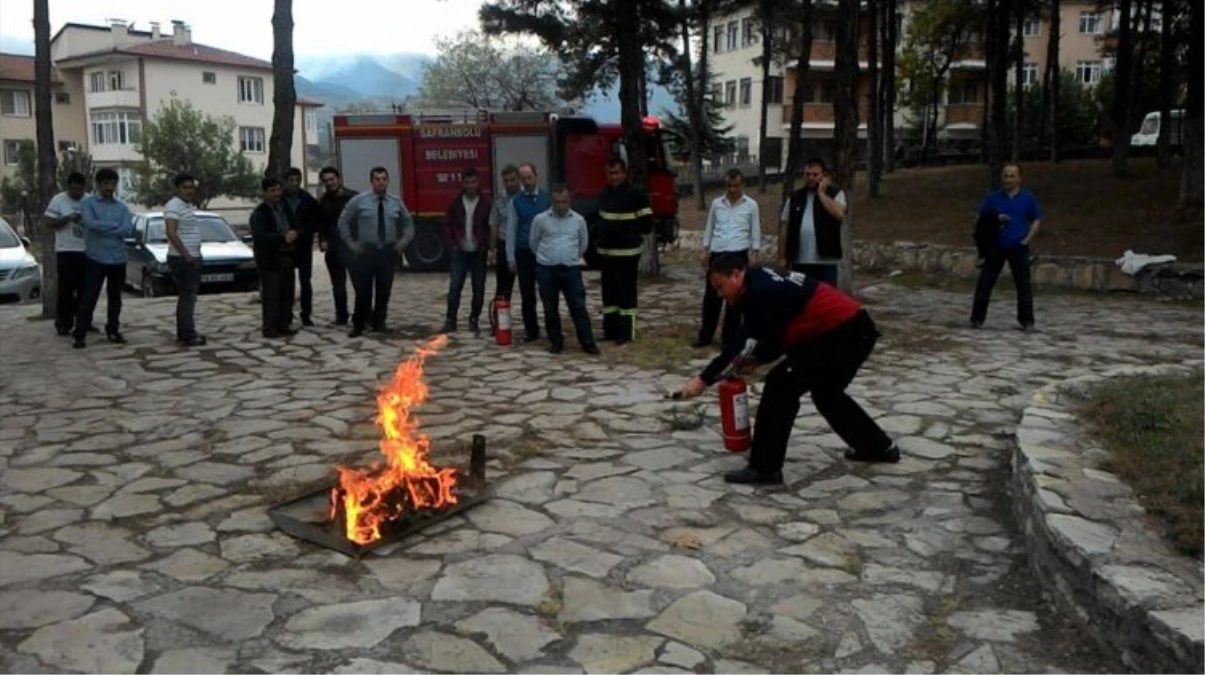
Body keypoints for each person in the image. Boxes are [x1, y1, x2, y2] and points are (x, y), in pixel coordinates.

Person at [678, 254, 899, 485]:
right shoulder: (758, 280)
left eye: (720, 286)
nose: (719, 294)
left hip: (842, 334)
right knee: (827, 394)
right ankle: (877, 447)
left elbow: (741, 344)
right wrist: (759, 359)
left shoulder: (760, 292)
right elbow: (774, 332)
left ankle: (765, 468)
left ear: (736, 274)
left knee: (780, 386)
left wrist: (703, 380)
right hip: (854, 330)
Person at [338, 166, 414, 338]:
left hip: (388, 252)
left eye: (384, 179)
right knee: (363, 291)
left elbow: (408, 224)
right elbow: (343, 222)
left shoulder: (395, 202)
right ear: (371, 181)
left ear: (388, 181)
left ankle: (380, 323)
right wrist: (351, 244)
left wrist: (402, 243)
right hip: (366, 251)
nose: (381, 182)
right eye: (377, 179)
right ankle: (359, 324)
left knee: (384, 290)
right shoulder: (359, 201)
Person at [694, 168, 760, 349]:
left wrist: (755, 252)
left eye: (736, 186)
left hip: (738, 253)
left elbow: (755, 229)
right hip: (718, 252)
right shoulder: (717, 204)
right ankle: (706, 335)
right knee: (712, 297)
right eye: (729, 186)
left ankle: (730, 337)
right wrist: (705, 248)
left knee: (735, 299)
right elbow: (710, 226)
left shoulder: (751, 205)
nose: (733, 190)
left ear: (742, 185)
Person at [530, 185, 600, 355]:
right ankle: (556, 341)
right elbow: (534, 243)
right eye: (557, 202)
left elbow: (583, 244)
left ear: (570, 201)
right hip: (547, 269)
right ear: (551, 201)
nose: (561, 206)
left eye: (564, 202)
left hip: (571, 269)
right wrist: (548, 257)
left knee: (578, 306)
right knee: (550, 308)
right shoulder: (540, 219)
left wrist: (570, 256)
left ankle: (587, 342)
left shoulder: (579, 220)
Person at [971, 164, 1040, 331]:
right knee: (985, 283)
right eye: (1005, 176)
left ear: (1019, 179)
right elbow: (979, 219)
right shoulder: (993, 198)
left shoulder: (1028, 198)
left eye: (1012, 176)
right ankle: (977, 319)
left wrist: (1027, 239)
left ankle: (1027, 321)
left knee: (1023, 285)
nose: (1008, 179)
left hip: (1018, 245)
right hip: (996, 246)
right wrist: (995, 218)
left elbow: (1037, 220)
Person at [72, 168, 136, 349]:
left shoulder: (122, 207)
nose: (110, 187)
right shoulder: (88, 204)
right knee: (89, 297)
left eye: (113, 184)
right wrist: (114, 226)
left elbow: (127, 229)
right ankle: (80, 334)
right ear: (98, 185)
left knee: (115, 298)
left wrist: (106, 228)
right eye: (106, 184)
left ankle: (113, 330)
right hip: (96, 258)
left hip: (118, 258)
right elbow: (90, 224)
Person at [595, 157, 653, 343]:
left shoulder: (636, 194)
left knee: (626, 294)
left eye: (617, 173)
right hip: (607, 254)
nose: (614, 177)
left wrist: (629, 232)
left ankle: (626, 333)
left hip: (628, 254)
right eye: (610, 173)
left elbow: (647, 224)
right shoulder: (604, 195)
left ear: (625, 173)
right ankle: (610, 331)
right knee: (609, 294)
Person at [778, 158, 847, 286]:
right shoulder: (795, 197)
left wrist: (821, 193)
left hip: (826, 260)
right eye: (807, 174)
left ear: (824, 175)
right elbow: (785, 227)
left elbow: (839, 214)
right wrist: (782, 256)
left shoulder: (836, 193)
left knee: (826, 300)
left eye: (815, 175)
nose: (810, 178)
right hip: (800, 260)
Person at [441, 167, 491, 335]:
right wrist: (452, 244)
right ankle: (451, 319)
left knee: (478, 287)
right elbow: (447, 224)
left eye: (473, 182)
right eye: (467, 182)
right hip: (459, 252)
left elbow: (490, 226)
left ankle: (474, 319)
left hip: (479, 252)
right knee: (455, 286)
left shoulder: (486, 202)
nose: (471, 186)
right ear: (462, 183)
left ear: (478, 182)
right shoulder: (455, 202)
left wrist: (486, 246)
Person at [42, 172, 91, 337]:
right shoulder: (58, 200)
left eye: (79, 190)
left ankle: (83, 320)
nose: (76, 193)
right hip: (66, 250)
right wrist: (67, 218)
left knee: (85, 290)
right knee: (66, 290)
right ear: (68, 187)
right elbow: (48, 223)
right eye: (73, 189)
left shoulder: (89, 200)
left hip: (86, 250)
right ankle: (63, 322)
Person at [249, 177, 299, 339]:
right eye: (273, 190)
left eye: (279, 190)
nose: (277, 193)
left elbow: (294, 225)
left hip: (287, 256)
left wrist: (294, 233)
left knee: (287, 293)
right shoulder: (260, 213)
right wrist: (282, 237)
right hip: (270, 258)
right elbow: (261, 237)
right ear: (265, 192)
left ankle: (284, 324)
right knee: (272, 295)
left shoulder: (284, 208)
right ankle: (270, 327)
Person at [505, 163, 550, 342]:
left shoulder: (546, 199)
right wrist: (510, 257)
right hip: (524, 252)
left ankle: (552, 327)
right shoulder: (516, 202)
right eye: (523, 179)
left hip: (544, 252)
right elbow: (511, 231)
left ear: (536, 176)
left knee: (547, 292)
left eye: (529, 178)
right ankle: (531, 330)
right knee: (527, 293)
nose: (527, 182)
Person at [163, 173, 206, 346]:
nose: (189, 191)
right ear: (177, 188)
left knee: (188, 296)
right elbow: (171, 232)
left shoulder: (186, 206)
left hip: (192, 256)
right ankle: (188, 334)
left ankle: (185, 331)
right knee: (188, 296)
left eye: (191, 187)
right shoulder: (174, 205)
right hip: (183, 259)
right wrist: (186, 255)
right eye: (185, 187)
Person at [316, 166, 358, 326]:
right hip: (333, 249)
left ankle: (363, 315)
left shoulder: (353, 198)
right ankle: (341, 316)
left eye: (332, 179)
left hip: (352, 248)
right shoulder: (324, 201)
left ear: (338, 179)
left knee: (359, 284)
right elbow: (321, 224)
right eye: (326, 181)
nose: (330, 183)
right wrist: (322, 240)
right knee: (338, 286)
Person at [283, 167, 322, 327]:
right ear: (286, 182)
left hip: (304, 245)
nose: (294, 184)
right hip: (285, 247)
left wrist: (301, 232)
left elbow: (315, 222)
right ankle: (287, 313)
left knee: (306, 281)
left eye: (297, 180)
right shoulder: (280, 199)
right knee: (287, 281)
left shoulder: (308, 200)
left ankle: (306, 314)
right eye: (291, 180)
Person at [489, 164, 521, 312]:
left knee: (527, 288)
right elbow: (494, 224)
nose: (509, 184)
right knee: (502, 287)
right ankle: (500, 322)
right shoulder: (498, 200)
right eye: (506, 181)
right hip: (503, 244)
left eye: (512, 180)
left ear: (518, 179)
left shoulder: (525, 198)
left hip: (522, 245)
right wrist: (492, 249)